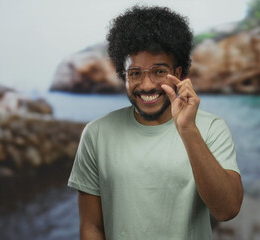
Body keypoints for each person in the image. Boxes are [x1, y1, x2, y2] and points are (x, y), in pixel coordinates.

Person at [68, 5, 243, 240]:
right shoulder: (97, 133)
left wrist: (188, 129)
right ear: (124, 76)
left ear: (178, 74)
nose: (147, 85)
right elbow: (92, 227)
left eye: (159, 72)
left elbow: (227, 210)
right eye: (135, 73)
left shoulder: (211, 128)